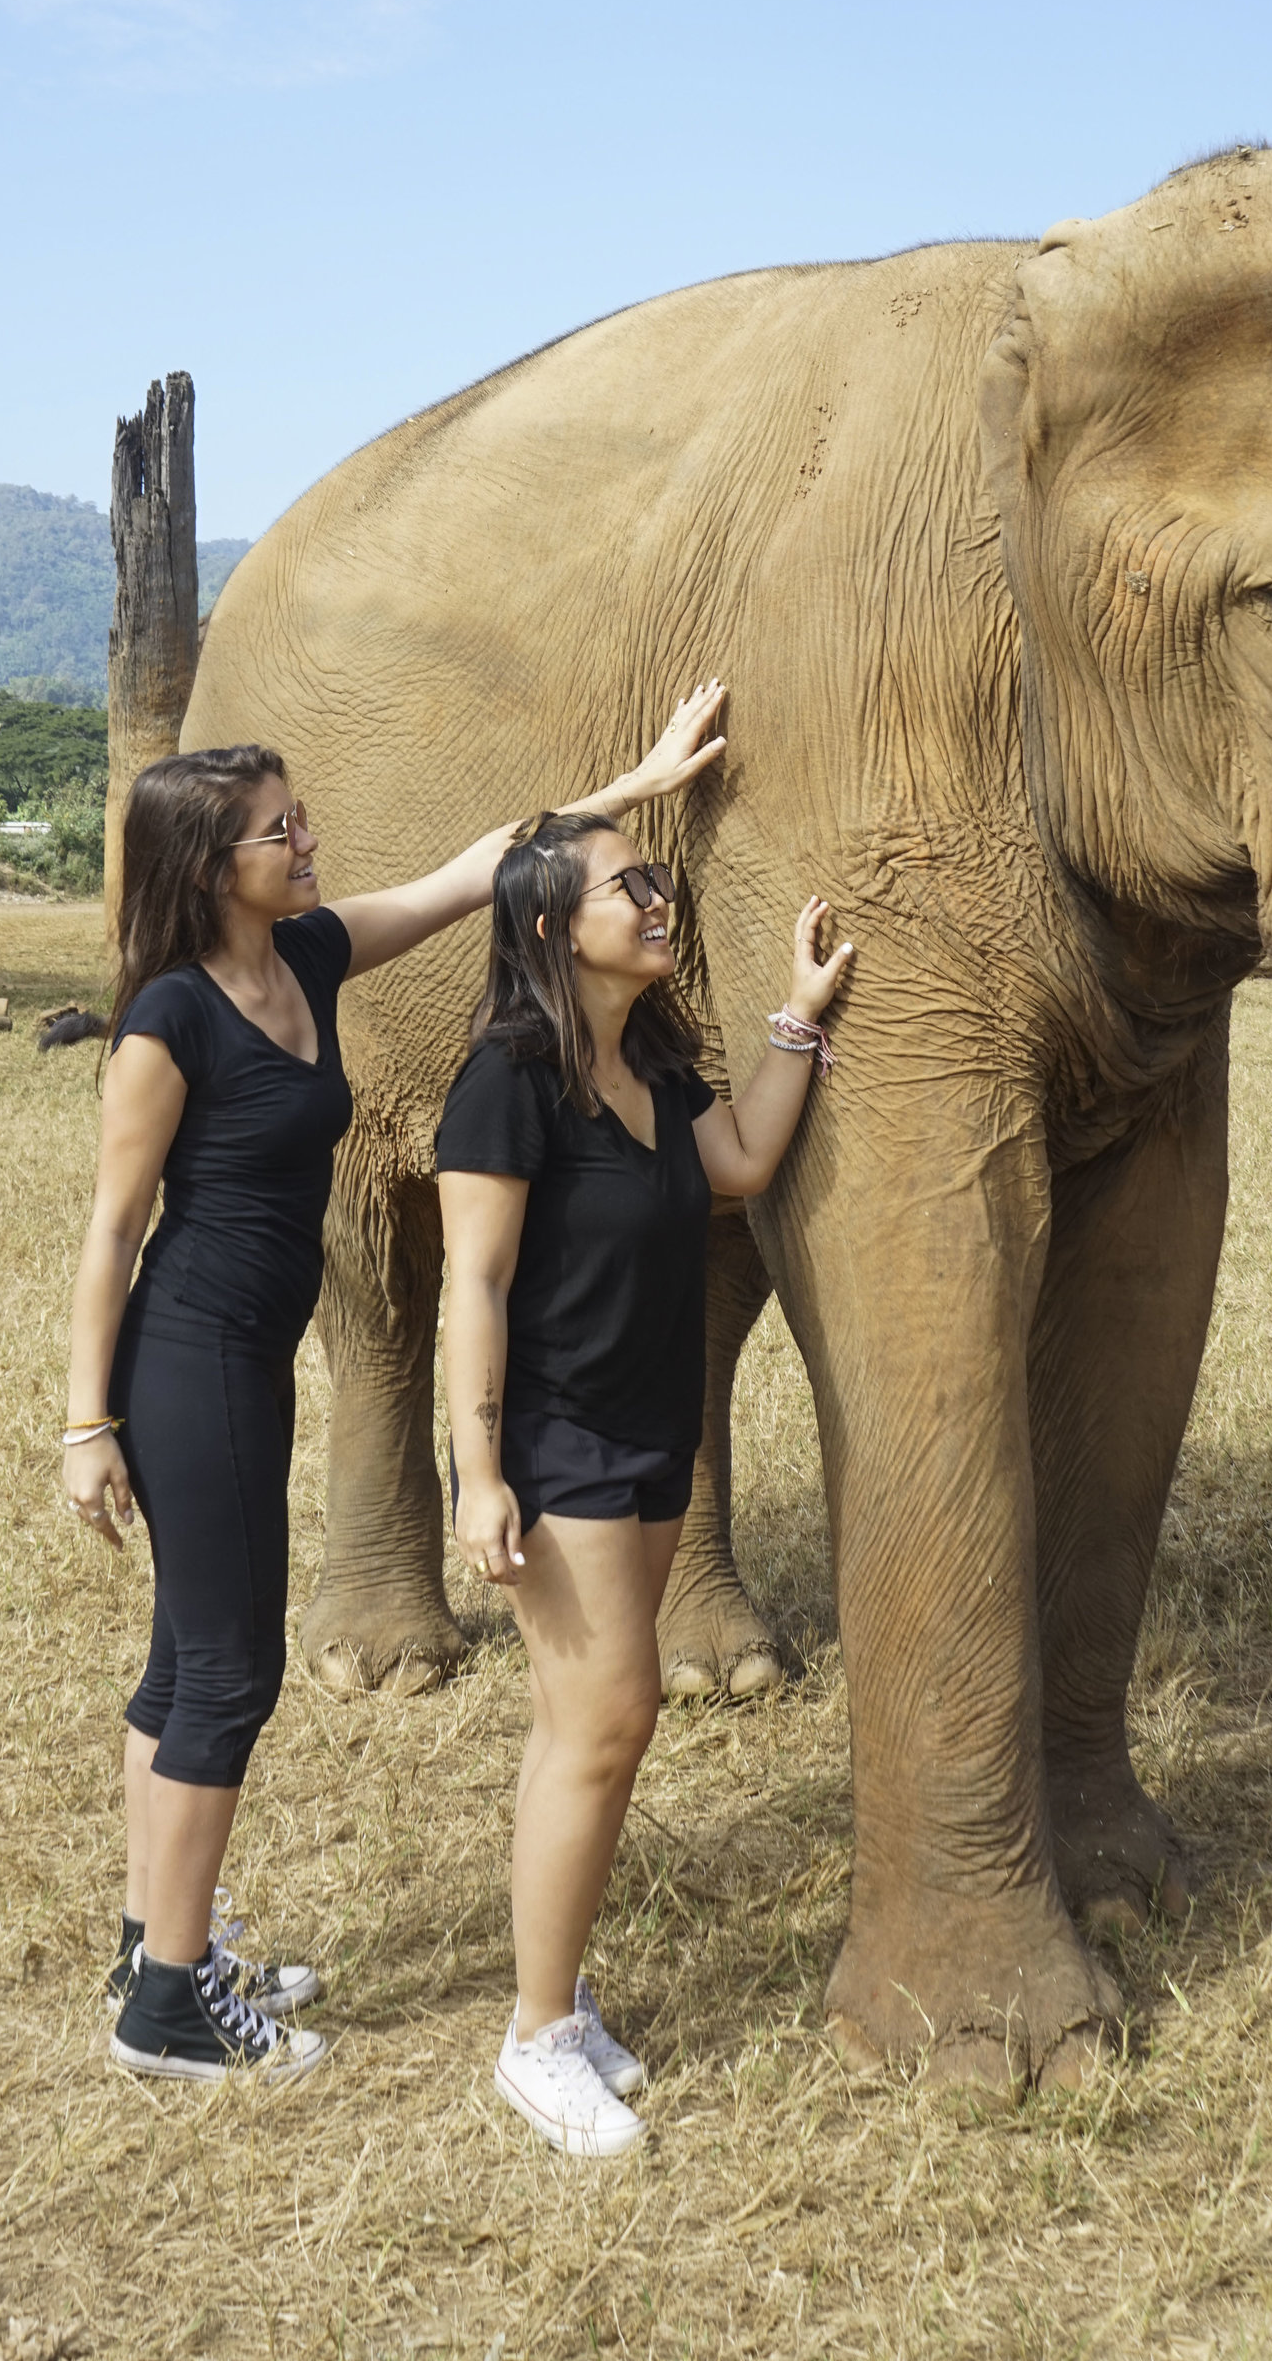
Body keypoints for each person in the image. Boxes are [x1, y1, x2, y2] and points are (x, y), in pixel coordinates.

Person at [61, 688, 730, 2088]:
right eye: (276, 829)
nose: (306, 839)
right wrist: (88, 1421)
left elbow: (494, 865)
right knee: (231, 1669)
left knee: (186, 1657)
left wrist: (644, 778)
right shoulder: (165, 1022)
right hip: (192, 1354)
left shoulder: (305, 954)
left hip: (247, 1351)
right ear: (206, 867)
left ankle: (152, 1940)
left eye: (298, 816)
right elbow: (113, 1230)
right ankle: (169, 2005)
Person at [438, 808, 850, 2159]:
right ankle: (535, 2034)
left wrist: (796, 1016)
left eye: (657, 878)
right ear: (556, 925)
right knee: (598, 1720)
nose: (659, 898)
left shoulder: (655, 1067)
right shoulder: (505, 1079)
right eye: (632, 885)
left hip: (653, 1426)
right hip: (554, 1443)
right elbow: (476, 1284)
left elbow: (739, 1163)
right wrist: (482, 1470)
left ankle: (561, 1999)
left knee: (608, 1724)